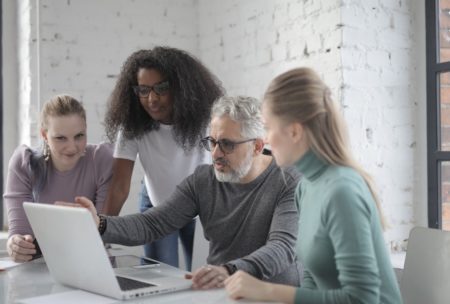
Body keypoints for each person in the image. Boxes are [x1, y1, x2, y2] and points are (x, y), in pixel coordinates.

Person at [68, 96, 302, 289]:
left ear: (257, 146)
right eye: (212, 142)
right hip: (220, 293)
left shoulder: (289, 181)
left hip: (273, 295)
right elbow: (153, 224)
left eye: (227, 144)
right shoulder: (203, 180)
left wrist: (229, 270)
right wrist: (99, 223)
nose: (216, 154)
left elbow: (282, 248)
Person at [224, 68, 402, 303]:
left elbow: (362, 299)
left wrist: (267, 291)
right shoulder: (305, 187)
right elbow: (312, 278)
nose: (265, 139)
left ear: (294, 131)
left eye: (267, 127)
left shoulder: (342, 192)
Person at [102, 47, 224, 271]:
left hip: (202, 208)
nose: (152, 99)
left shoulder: (207, 118)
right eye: (144, 90)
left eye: (161, 88)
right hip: (157, 207)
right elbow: (119, 186)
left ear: (181, 87)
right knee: (158, 276)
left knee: (201, 275)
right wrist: (101, 234)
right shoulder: (132, 125)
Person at [4, 94, 113, 262]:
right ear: (44, 135)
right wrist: (16, 245)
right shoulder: (24, 163)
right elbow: (20, 233)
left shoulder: (101, 159)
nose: (71, 147)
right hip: (40, 263)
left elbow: (102, 231)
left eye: (79, 136)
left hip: (90, 261)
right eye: (60, 138)